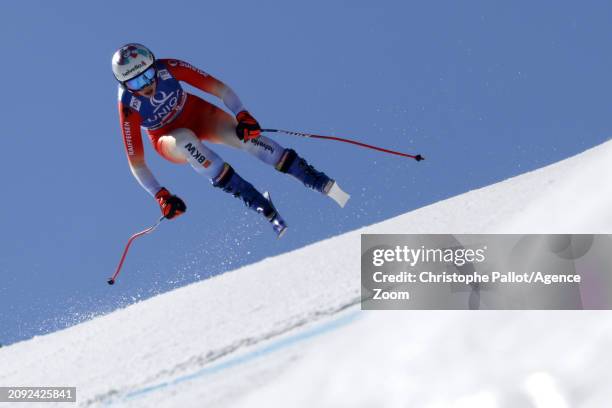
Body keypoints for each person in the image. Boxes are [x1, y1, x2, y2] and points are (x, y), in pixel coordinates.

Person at [112, 43, 349, 238]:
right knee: (186, 141)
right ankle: (256, 201)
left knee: (246, 139)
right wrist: (161, 195)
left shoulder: (169, 67)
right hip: (167, 138)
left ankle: (314, 179)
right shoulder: (128, 107)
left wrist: (242, 114)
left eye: (148, 75)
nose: (147, 86)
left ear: (155, 66)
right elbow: (137, 163)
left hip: (198, 113)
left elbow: (221, 89)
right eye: (135, 83)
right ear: (125, 85)